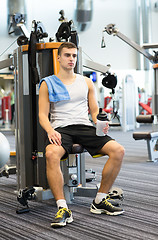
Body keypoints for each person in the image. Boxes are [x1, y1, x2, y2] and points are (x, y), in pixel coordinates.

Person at [38, 42, 125, 228]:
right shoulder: (48, 83)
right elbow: (42, 115)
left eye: (74, 56)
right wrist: (50, 130)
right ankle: (62, 207)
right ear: (59, 57)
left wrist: (99, 122)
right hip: (61, 128)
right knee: (52, 154)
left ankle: (100, 200)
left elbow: (94, 110)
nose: (71, 59)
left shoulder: (85, 81)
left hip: (84, 126)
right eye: (68, 55)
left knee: (118, 150)